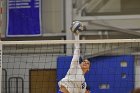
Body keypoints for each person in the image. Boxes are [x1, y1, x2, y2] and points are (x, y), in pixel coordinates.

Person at [58, 25, 91, 93]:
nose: (85, 63)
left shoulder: (83, 83)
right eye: (84, 61)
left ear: (88, 69)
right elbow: (77, 49)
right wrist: (77, 35)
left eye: (87, 63)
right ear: (80, 63)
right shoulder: (75, 66)